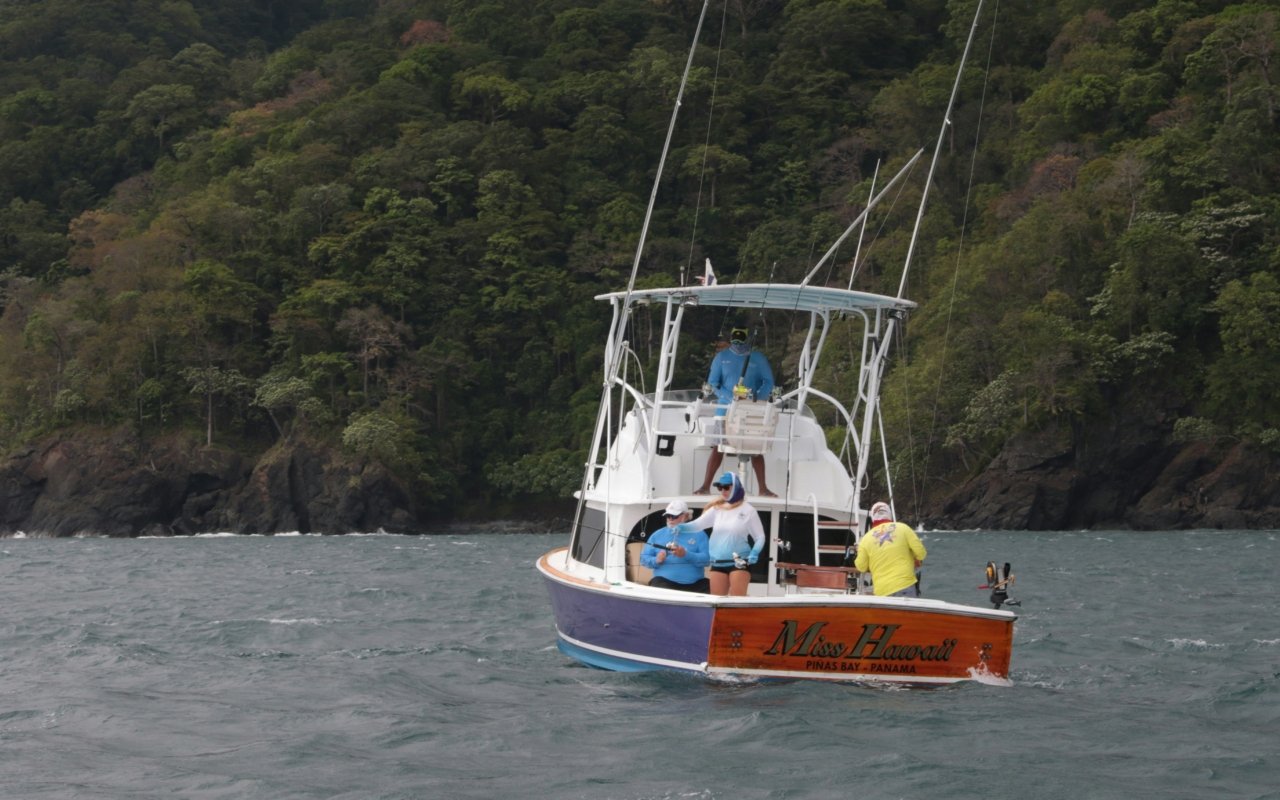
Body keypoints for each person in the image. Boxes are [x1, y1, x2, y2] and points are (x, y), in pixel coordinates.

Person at [694, 326, 776, 496]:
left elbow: (768, 382)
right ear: (731, 339)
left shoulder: (758, 358)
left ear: (748, 339)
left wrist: (755, 397)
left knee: (756, 449)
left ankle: (763, 488)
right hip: (725, 410)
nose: (738, 343)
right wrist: (730, 397)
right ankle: (705, 486)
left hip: (751, 410)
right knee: (718, 447)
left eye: (741, 340)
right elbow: (713, 383)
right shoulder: (721, 357)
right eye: (735, 340)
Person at [682, 472, 765, 596]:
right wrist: (681, 527)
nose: (722, 491)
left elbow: (760, 537)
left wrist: (754, 552)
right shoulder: (717, 509)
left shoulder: (749, 510)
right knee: (716, 600)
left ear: (736, 487)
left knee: (737, 601)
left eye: (726, 487)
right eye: (719, 488)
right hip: (718, 563)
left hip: (739, 562)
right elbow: (697, 525)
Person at [853, 501, 926, 597]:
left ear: (873, 517)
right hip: (905, 586)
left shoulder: (865, 540)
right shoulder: (904, 528)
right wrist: (915, 559)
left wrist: (859, 551)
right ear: (889, 514)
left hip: (882, 592)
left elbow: (861, 567)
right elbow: (921, 553)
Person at [640, 500, 710, 592]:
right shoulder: (656, 535)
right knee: (658, 586)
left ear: (685, 516)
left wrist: (686, 554)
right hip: (664, 582)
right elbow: (643, 559)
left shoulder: (699, 534)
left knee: (711, 586)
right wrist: (657, 560)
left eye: (674, 516)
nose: (670, 519)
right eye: (668, 516)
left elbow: (707, 560)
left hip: (695, 583)